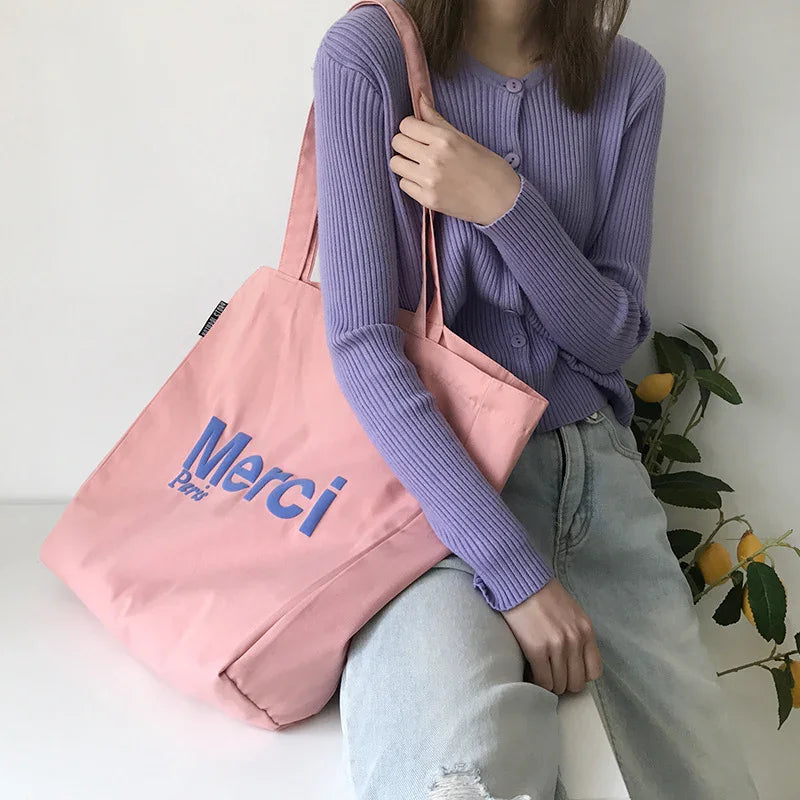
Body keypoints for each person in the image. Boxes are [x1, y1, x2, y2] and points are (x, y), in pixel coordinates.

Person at [312, 1, 761, 798]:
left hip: (598, 479)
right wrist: (514, 572)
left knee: (709, 782)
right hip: (433, 495)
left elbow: (611, 337)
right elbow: (360, 345)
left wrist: (506, 205)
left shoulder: (627, 79)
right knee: (457, 779)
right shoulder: (370, 54)